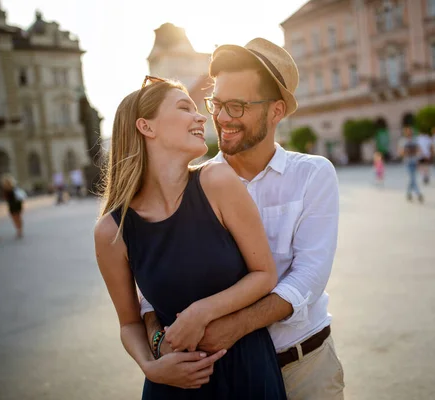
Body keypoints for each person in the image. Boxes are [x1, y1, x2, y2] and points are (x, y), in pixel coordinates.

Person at [141, 38, 344, 399]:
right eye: (216, 104)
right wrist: (159, 342)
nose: (221, 118)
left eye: (236, 106)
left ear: (276, 111)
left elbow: (309, 276)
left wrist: (234, 326)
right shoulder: (191, 184)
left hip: (304, 367)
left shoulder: (313, 174)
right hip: (224, 376)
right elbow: (151, 283)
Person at [93, 76, 286, 399]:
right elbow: (129, 323)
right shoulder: (111, 231)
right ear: (146, 127)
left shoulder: (218, 181)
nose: (201, 117)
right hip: (171, 383)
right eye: (185, 108)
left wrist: (201, 312)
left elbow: (265, 275)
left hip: (246, 371)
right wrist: (151, 365)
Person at [398, 126, 424, 203]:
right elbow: (400, 152)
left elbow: (418, 149)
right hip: (407, 162)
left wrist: (418, 157)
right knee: (412, 178)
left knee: (412, 178)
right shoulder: (403, 141)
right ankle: (418, 194)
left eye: (410, 131)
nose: (409, 133)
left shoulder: (414, 140)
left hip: (414, 161)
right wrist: (405, 151)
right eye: (408, 131)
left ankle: (408, 193)